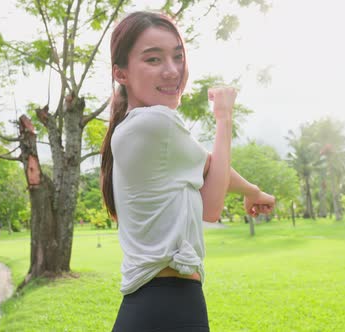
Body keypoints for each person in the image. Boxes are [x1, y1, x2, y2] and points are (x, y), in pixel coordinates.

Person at [100, 11, 276, 331]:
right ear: (121, 73)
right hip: (170, 306)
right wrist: (223, 117)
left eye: (177, 57)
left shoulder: (134, 128)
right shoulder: (158, 123)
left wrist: (254, 192)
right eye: (153, 60)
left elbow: (210, 169)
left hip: (153, 305)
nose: (172, 71)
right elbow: (213, 207)